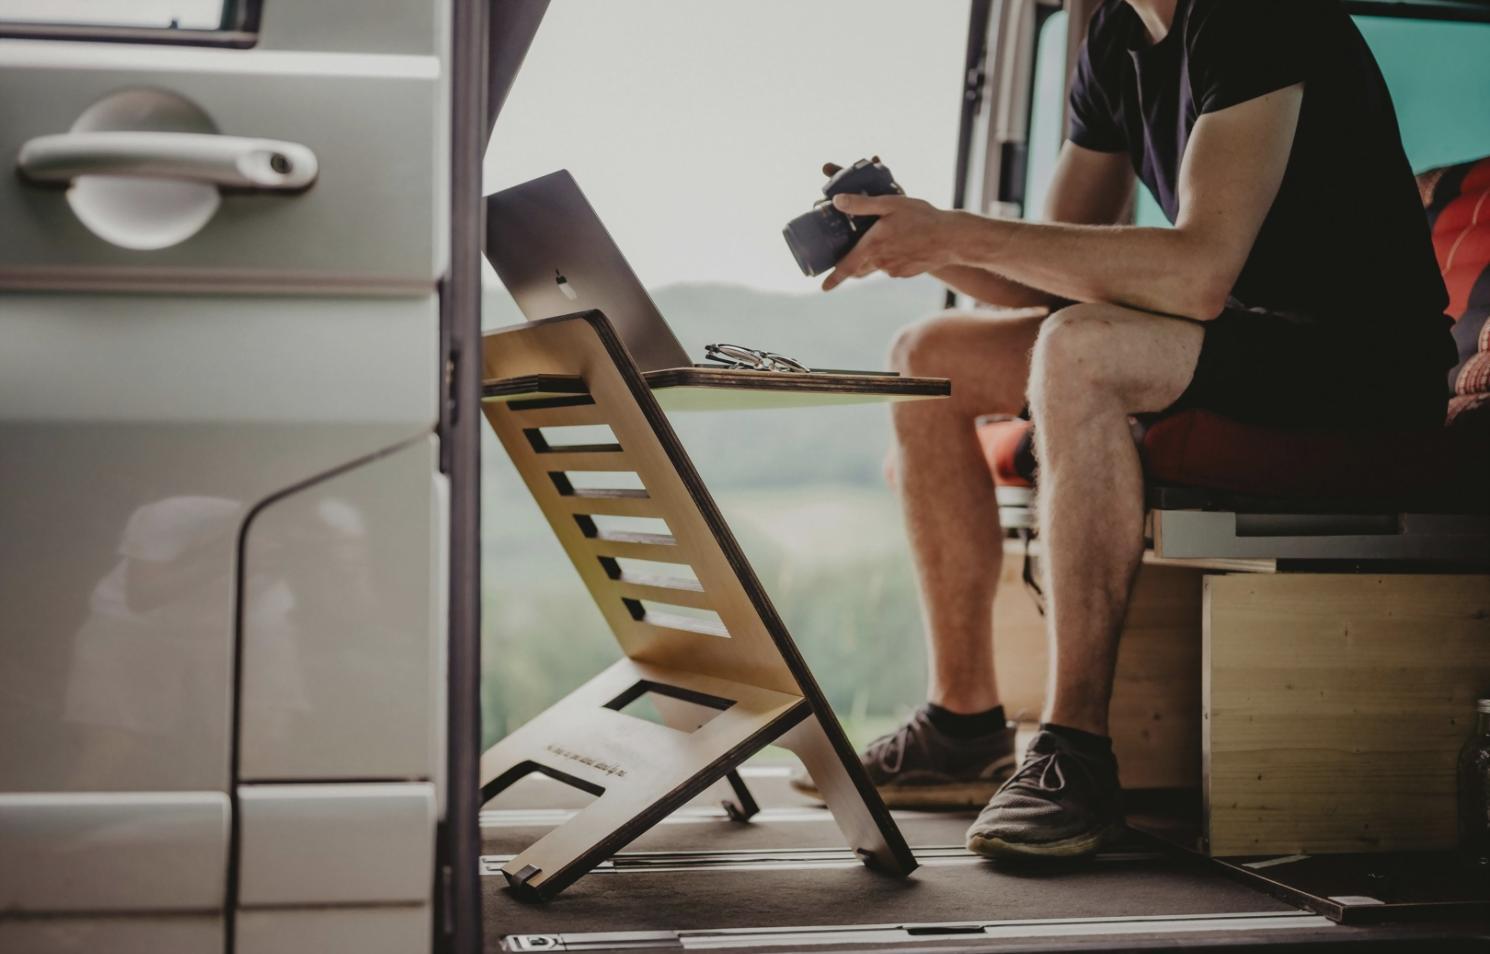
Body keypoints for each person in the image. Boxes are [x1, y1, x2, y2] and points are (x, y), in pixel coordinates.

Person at [791, 0, 1456, 859]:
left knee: (1081, 349)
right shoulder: (1115, 38)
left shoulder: (1254, 16)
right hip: (1237, 334)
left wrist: (955, 232)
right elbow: (1043, 274)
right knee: (928, 355)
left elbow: (1198, 271)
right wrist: (915, 238)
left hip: (1354, 359)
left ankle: (1075, 753)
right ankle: (961, 724)